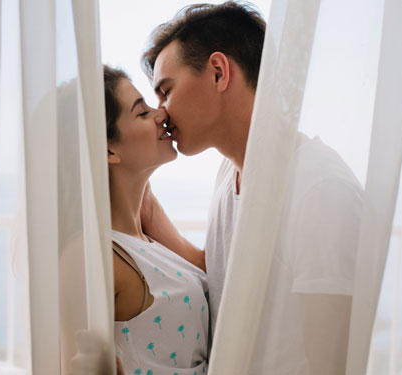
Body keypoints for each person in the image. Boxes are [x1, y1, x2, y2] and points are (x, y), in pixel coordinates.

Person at [139, 2, 364, 374]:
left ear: (217, 72)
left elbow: (331, 365)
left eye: (166, 90)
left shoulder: (321, 190)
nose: (160, 112)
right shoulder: (230, 172)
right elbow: (229, 276)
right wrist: (144, 208)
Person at [101, 65, 210, 374]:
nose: (161, 114)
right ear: (109, 149)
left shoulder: (145, 239)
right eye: (142, 113)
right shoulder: (104, 258)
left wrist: (154, 219)